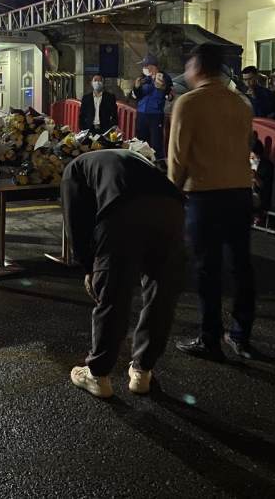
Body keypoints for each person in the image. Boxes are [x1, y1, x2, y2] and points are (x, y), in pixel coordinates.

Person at [62, 149, 186, 398]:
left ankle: (98, 374)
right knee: (160, 293)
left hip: (123, 208)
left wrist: (89, 268)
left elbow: (75, 222)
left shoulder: (72, 170)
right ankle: (142, 372)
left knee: (114, 292)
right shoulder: (125, 157)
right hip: (172, 208)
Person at [168, 44, 256, 361]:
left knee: (208, 268)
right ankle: (241, 335)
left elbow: (178, 155)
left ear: (198, 67)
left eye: (189, 66)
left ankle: (210, 337)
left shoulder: (188, 102)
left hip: (204, 194)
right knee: (241, 265)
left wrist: (172, 191)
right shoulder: (241, 103)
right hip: (240, 191)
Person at [130, 54, 172, 158]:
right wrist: (136, 87)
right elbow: (135, 96)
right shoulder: (143, 78)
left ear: (152, 66)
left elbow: (170, 96)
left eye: (145, 66)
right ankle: (141, 163)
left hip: (155, 115)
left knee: (156, 144)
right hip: (141, 114)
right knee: (140, 143)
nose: (143, 68)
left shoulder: (164, 77)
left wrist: (163, 88)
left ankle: (157, 165)